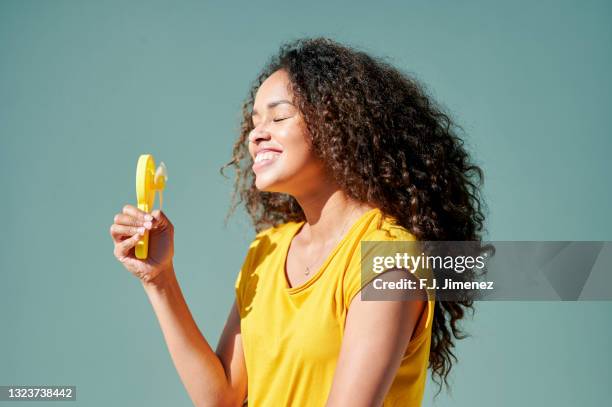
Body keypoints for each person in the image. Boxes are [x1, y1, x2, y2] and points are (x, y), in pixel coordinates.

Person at [110, 37, 485, 407]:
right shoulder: (267, 251)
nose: (257, 134)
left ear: (337, 124)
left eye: (279, 116)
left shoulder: (389, 259)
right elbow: (221, 397)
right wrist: (159, 279)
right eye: (254, 122)